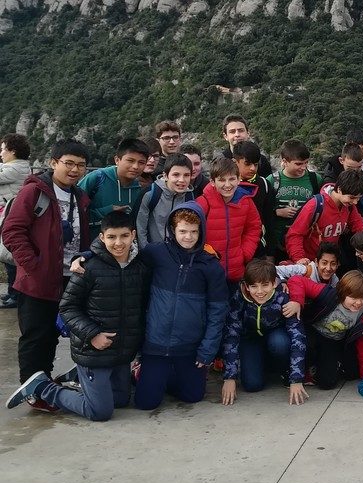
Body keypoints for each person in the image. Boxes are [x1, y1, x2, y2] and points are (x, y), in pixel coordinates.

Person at [6, 213, 148, 420]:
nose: (118, 243)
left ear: (133, 235)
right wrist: (92, 335)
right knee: (100, 412)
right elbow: (67, 308)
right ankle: (43, 387)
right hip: (93, 350)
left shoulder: (139, 267)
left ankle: (81, 378)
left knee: (120, 400)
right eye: (111, 237)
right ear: (102, 237)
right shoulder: (87, 268)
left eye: (124, 236)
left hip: (121, 353)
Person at [1, 141, 91, 409]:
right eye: (68, 163)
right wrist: (33, 265)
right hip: (38, 278)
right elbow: (12, 231)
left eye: (81, 165)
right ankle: (33, 390)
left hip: (70, 276)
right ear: (53, 163)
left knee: (53, 334)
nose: (74, 170)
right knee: (36, 335)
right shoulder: (34, 192)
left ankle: (46, 383)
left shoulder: (79, 195)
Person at [133, 205, 229, 410]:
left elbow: (218, 311)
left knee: (193, 396)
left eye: (194, 231)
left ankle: (167, 377)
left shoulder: (210, 266)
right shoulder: (156, 252)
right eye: (183, 231)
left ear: (201, 231)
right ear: (172, 229)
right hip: (156, 343)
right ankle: (144, 373)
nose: (188, 237)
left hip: (189, 346)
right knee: (146, 403)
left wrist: (207, 350)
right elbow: (122, 253)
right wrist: (87, 255)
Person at [220, 258, 307, 406]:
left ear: (274, 283)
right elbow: (231, 334)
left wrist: (296, 379)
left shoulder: (283, 297)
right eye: (254, 286)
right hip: (250, 338)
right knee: (252, 385)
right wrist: (229, 377)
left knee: (280, 343)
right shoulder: (239, 297)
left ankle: (284, 369)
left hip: (276, 336)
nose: (260, 291)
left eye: (265, 285)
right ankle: (259, 365)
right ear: (247, 286)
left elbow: (298, 336)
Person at [286, 269, 363, 386]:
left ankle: (320, 367)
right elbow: (296, 279)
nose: (358, 303)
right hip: (313, 332)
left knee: (328, 383)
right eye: (353, 298)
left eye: (362, 298)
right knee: (306, 347)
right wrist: (296, 301)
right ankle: (297, 370)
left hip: (333, 341)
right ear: (343, 293)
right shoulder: (328, 294)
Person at [196, 157, 261, 284]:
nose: (227, 185)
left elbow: (254, 227)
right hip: (209, 272)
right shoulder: (203, 202)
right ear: (212, 182)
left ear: (238, 179)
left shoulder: (246, 201)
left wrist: (245, 253)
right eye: (221, 180)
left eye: (232, 179)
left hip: (236, 270)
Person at [285, 170, 363, 265]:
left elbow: (359, 226)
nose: (355, 202)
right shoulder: (315, 205)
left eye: (358, 198)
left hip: (330, 260)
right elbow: (295, 234)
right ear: (339, 189)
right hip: (309, 261)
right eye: (352, 197)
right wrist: (299, 258)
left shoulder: (349, 207)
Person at [76, 138, 148, 238]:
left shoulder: (141, 187)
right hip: (90, 242)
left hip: (122, 245)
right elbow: (74, 210)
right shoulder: (97, 178)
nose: (135, 166)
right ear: (117, 160)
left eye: (141, 162)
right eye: (130, 161)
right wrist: (107, 211)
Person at [267, 139, 322, 260]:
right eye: (298, 164)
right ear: (284, 161)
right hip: (277, 242)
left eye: (306, 163)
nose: (303, 167)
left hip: (304, 242)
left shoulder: (315, 179)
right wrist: (277, 212)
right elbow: (261, 210)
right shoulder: (272, 180)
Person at [136, 154, 196, 249]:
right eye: (176, 175)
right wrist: (146, 251)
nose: (181, 180)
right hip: (153, 251)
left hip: (178, 252)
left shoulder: (189, 197)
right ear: (166, 176)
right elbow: (140, 227)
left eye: (186, 175)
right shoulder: (151, 194)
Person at [0, 133, 31, 308]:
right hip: (9, 215)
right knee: (9, 257)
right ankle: (13, 291)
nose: (1, 153)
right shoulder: (17, 166)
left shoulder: (15, 169)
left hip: (11, 216)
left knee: (10, 257)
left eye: (3, 149)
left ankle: (16, 294)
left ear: (12, 151)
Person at [276, 242, 342, 287]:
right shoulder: (303, 270)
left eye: (333, 264)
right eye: (324, 263)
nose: (328, 268)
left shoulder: (334, 280)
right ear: (316, 262)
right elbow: (274, 269)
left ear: (338, 265)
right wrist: (282, 282)